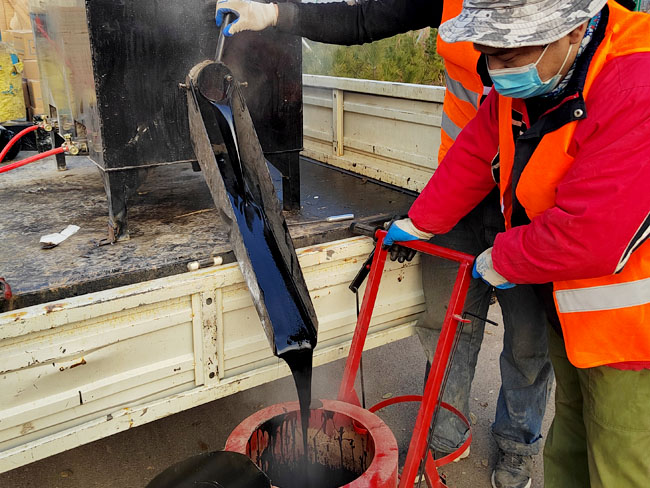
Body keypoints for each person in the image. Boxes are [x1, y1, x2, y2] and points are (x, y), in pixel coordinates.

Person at [215, 2, 554, 487]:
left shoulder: (557, 18)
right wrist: (275, 14)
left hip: (525, 200)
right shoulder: (449, 3)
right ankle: (444, 435)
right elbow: (361, 19)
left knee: (525, 340)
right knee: (447, 325)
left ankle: (518, 445)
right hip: (459, 185)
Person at [381, 0, 650, 486]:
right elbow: (475, 152)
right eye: (488, 53)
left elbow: (593, 233)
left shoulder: (637, 81)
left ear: (574, 30)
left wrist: (503, 257)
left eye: (511, 56)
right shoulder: (544, 74)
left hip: (630, 331)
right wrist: (420, 222)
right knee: (571, 435)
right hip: (572, 307)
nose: (496, 71)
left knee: (620, 456)